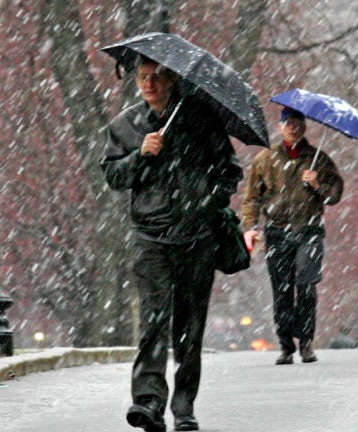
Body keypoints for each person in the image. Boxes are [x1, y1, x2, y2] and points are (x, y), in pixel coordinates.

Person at [101, 56, 242, 432]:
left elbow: (230, 172)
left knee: (190, 328)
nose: (149, 84)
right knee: (153, 323)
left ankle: (184, 407)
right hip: (150, 239)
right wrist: (139, 155)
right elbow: (113, 175)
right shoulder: (124, 126)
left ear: (173, 79)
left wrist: (205, 199)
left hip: (197, 240)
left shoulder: (202, 121)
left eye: (156, 77)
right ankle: (148, 402)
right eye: (143, 77)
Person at [240, 107, 344, 365]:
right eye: (288, 123)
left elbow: (335, 195)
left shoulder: (318, 159)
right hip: (277, 231)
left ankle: (306, 342)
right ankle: (286, 344)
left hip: (309, 230)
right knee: (282, 289)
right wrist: (250, 227)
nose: (293, 127)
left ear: (305, 127)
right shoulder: (265, 160)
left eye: (298, 123)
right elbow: (252, 198)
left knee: (306, 284)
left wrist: (318, 185)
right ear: (280, 127)